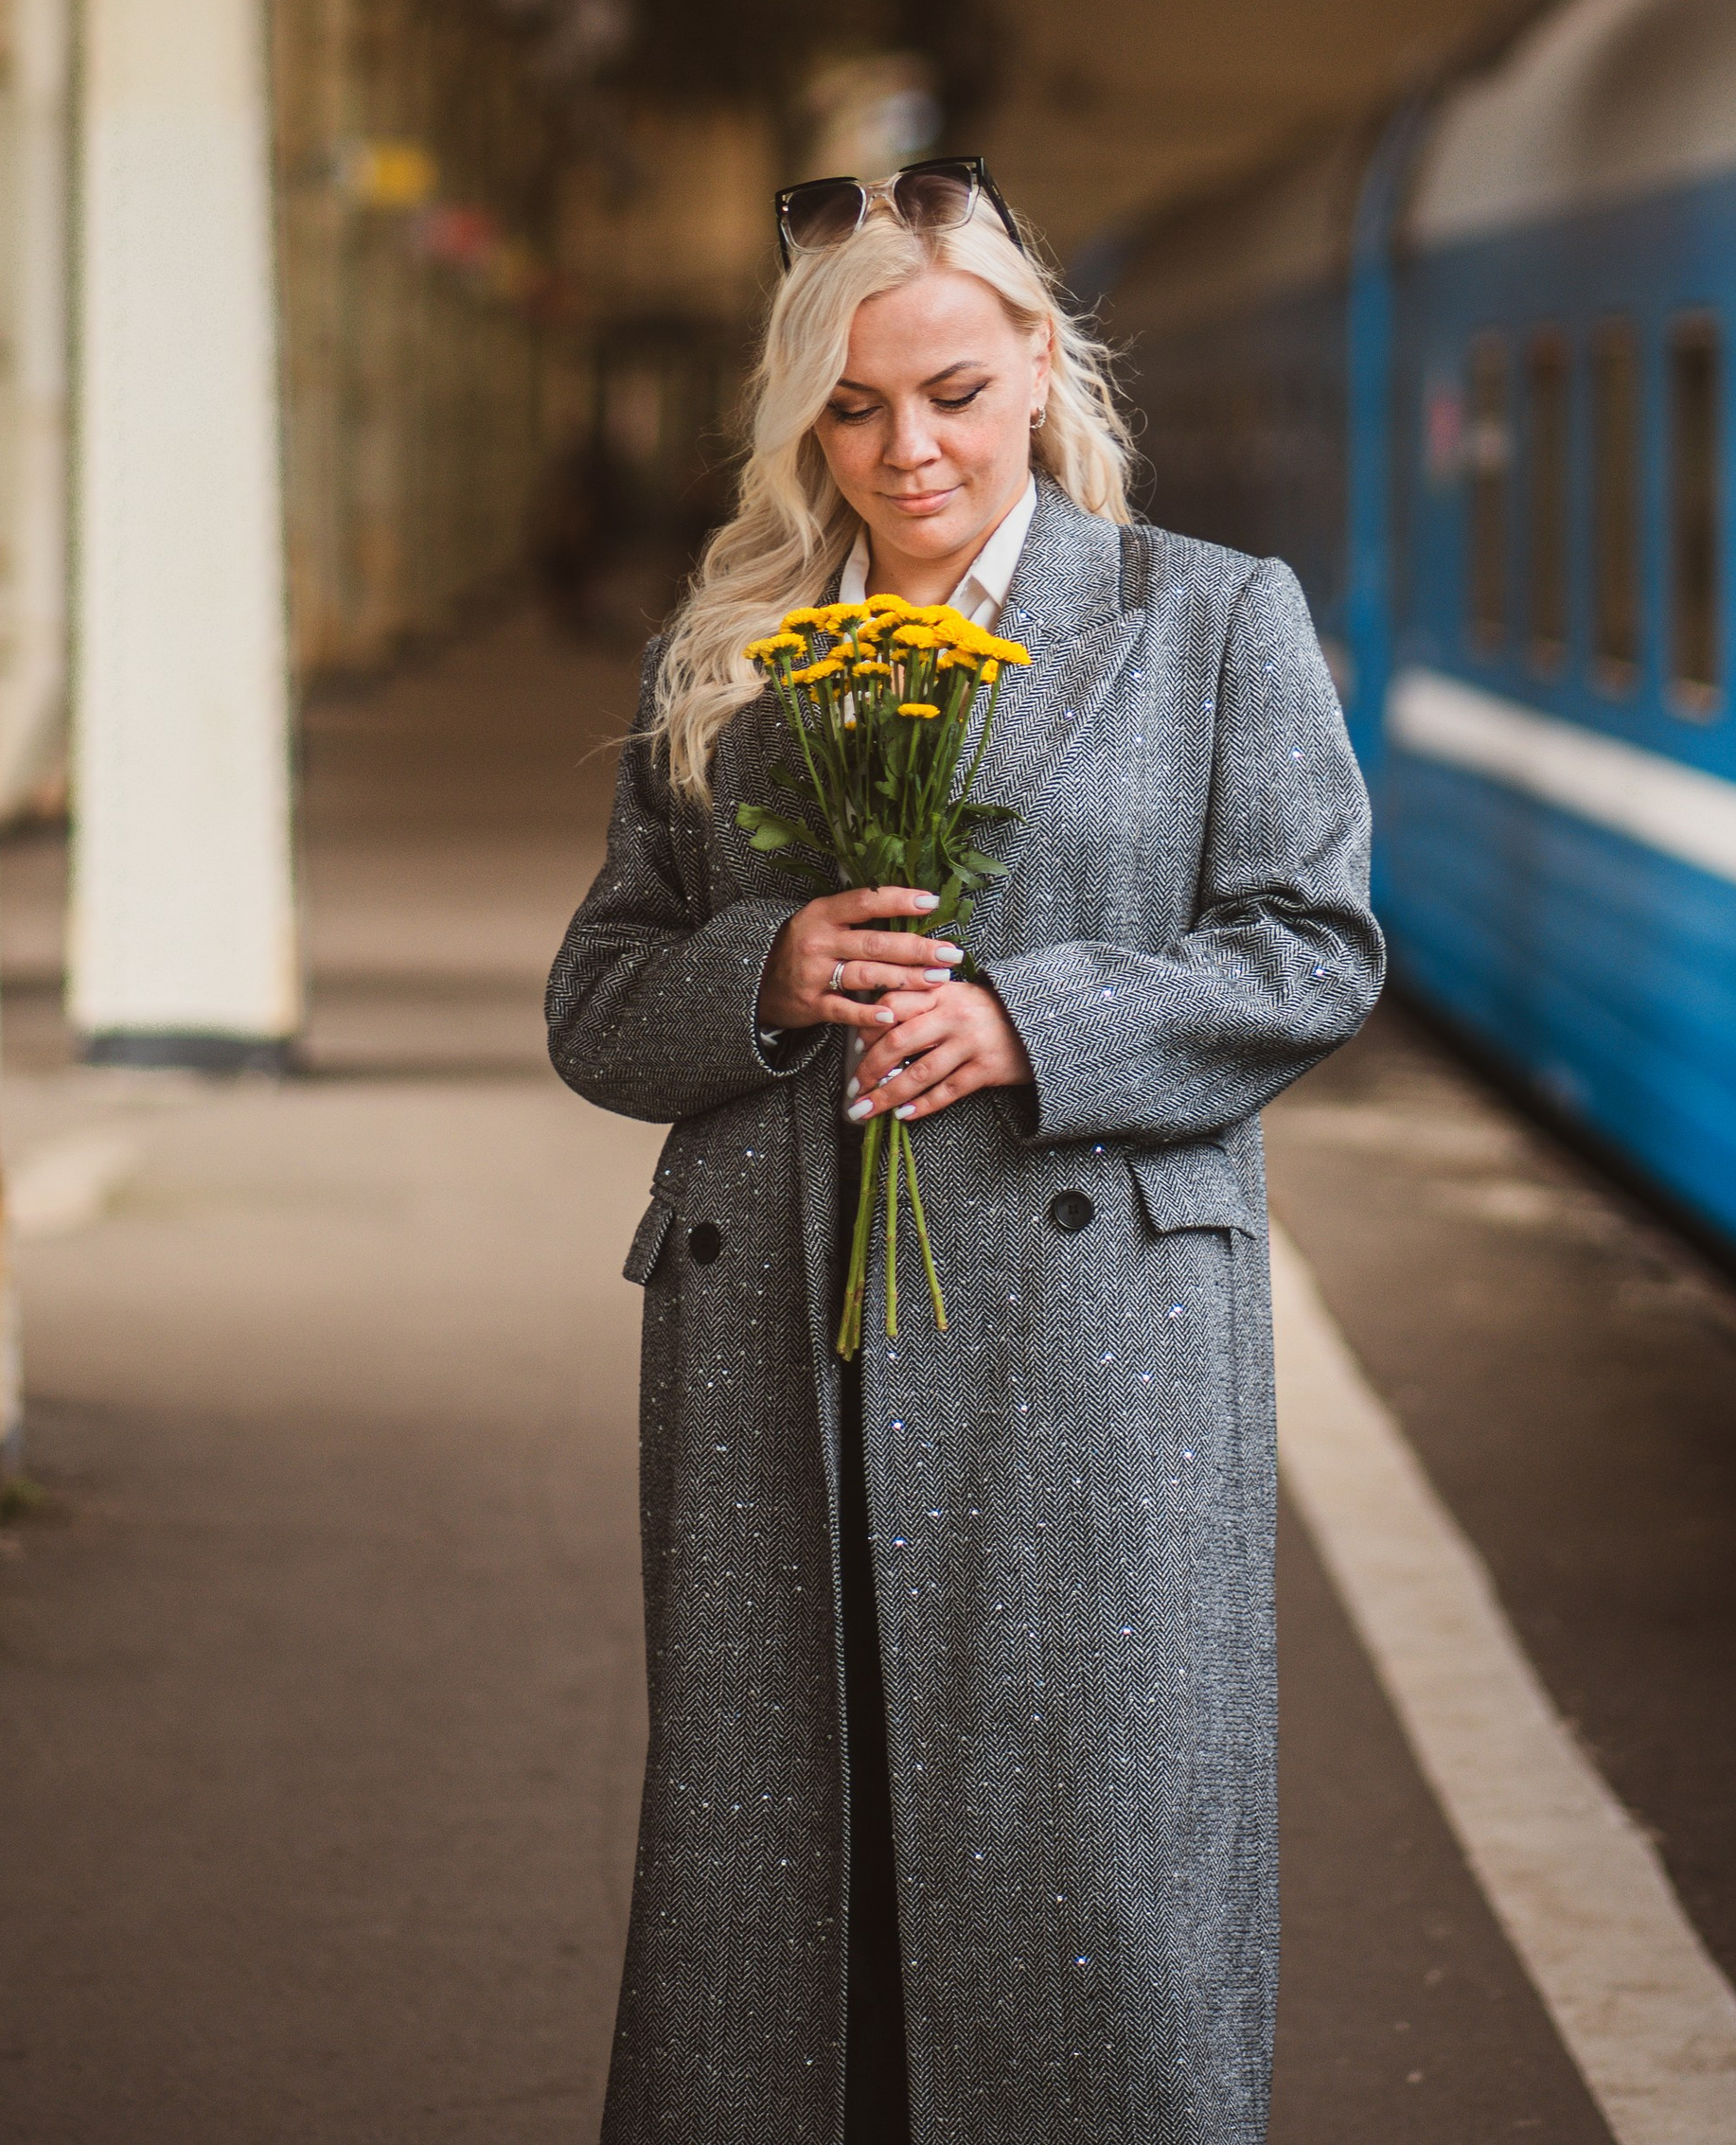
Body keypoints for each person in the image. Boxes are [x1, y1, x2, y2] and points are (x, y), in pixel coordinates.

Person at [546, 158, 1383, 2145]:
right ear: (796, 420)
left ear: (1037, 365)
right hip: (772, 1363)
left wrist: (1035, 1018)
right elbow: (596, 997)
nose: (902, 447)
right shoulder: (730, 651)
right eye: (848, 406)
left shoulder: (1205, 620)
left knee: (1088, 1866)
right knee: (776, 1875)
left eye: (945, 389)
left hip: (1086, 1360)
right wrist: (767, 967)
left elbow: (1311, 945)